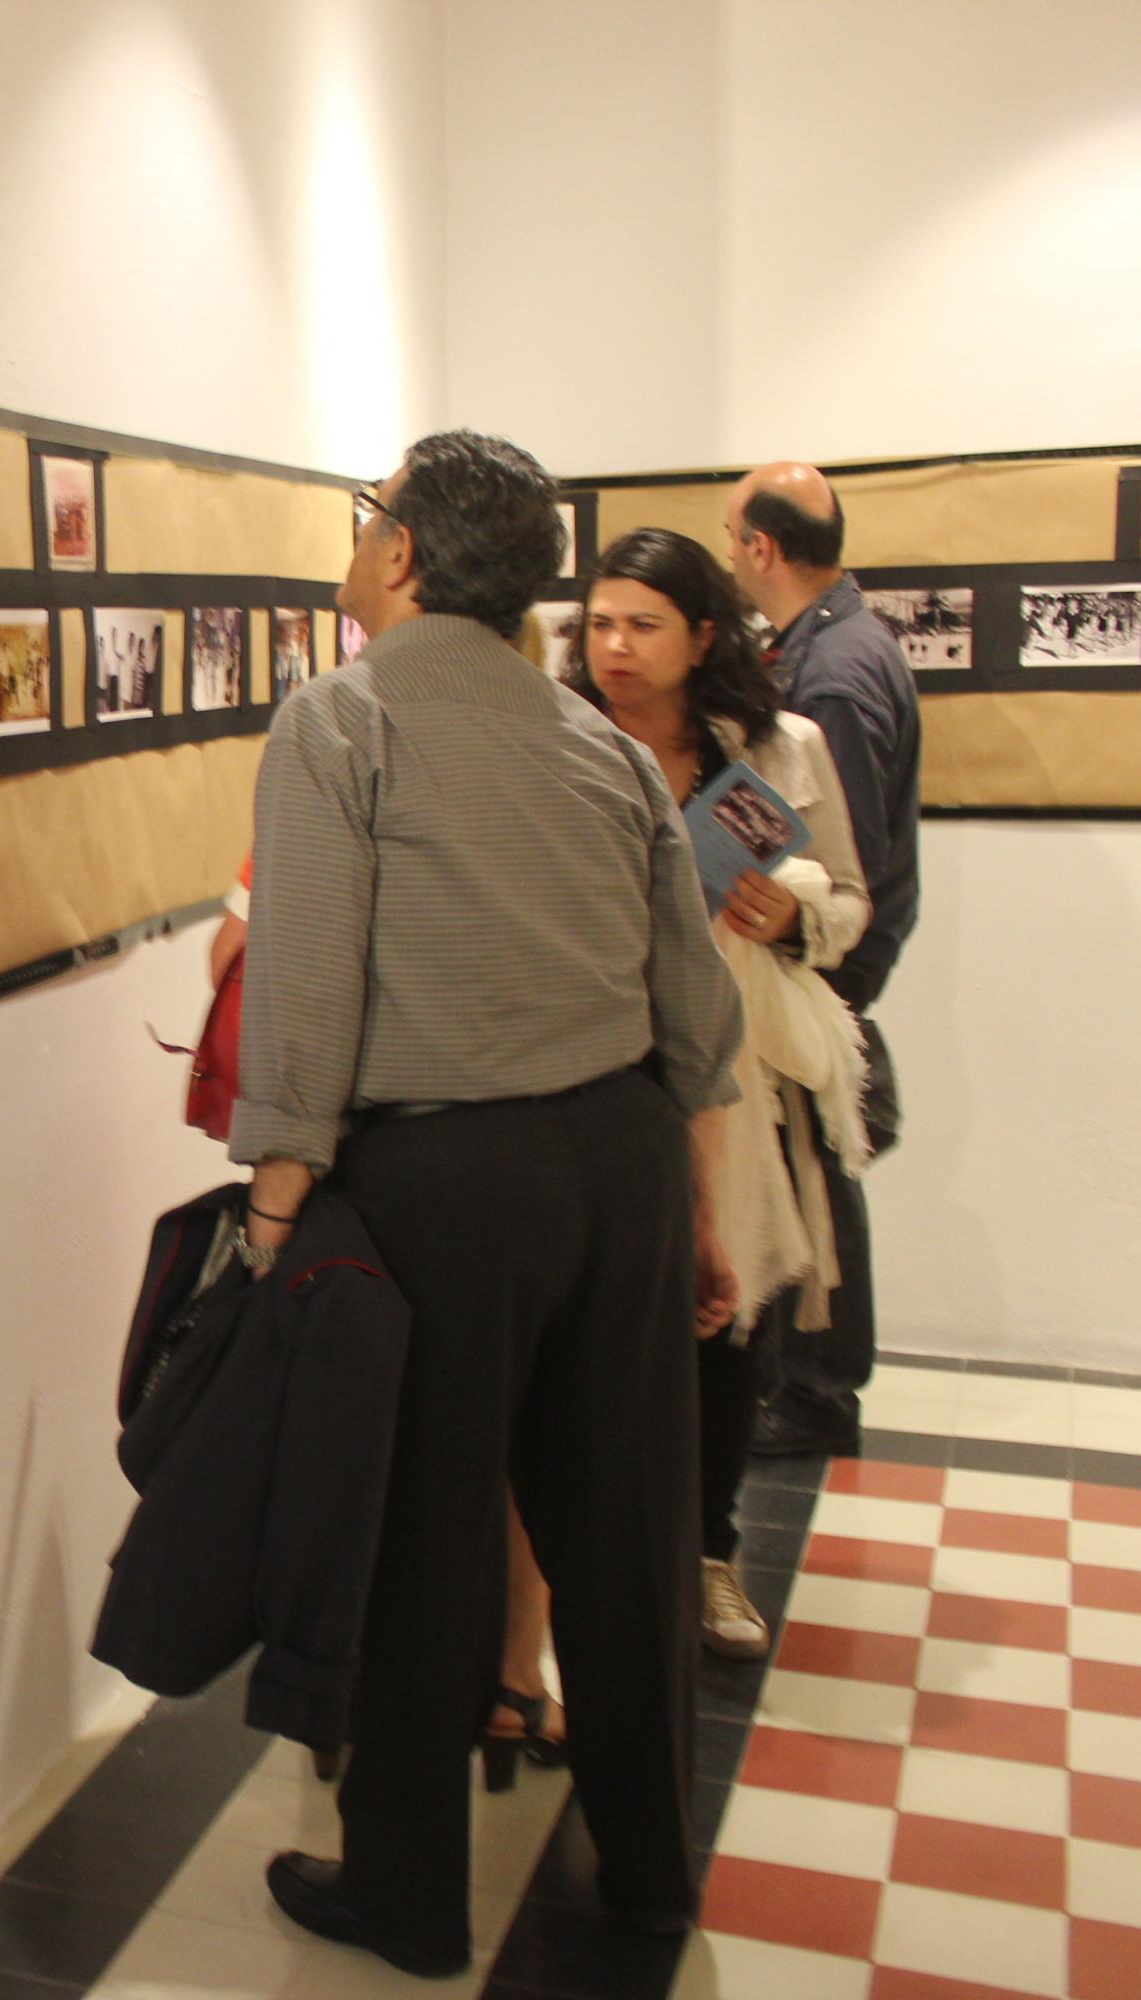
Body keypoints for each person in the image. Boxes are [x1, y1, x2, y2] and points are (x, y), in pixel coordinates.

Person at [236, 432, 742, 1977]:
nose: (362, 538)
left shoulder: (340, 718)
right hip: (621, 1162)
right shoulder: (597, 743)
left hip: (443, 1182)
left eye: (369, 514)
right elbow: (692, 1005)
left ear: (401, 553)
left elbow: (308, 985)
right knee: (627, 1533)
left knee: (423, 1541)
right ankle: (650, 1871)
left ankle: (407, 1898)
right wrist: (698, 1214)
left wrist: (275, 1204)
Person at [565, 528, 873, 1663]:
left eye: (643, 625)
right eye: (600, 623)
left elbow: (853, 899)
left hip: (734, 1081)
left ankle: (708, 1551)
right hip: (591, 1061)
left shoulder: (780, 749)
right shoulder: (560, 742)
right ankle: (590, 1562)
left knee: (721, 1320)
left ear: (702, 636)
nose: (616, 647)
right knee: (596, 1325)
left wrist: (796, 917)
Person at [726, 463, 919, 1458]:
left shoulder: (832, 671)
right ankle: (802, 1381)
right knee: (807, 1161)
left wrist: (806, 944)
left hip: (815, 960)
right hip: (807, 954)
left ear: (761, 546)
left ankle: (814, 1388)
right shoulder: (836, 643)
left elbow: (843, 859)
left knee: (816, 1164)